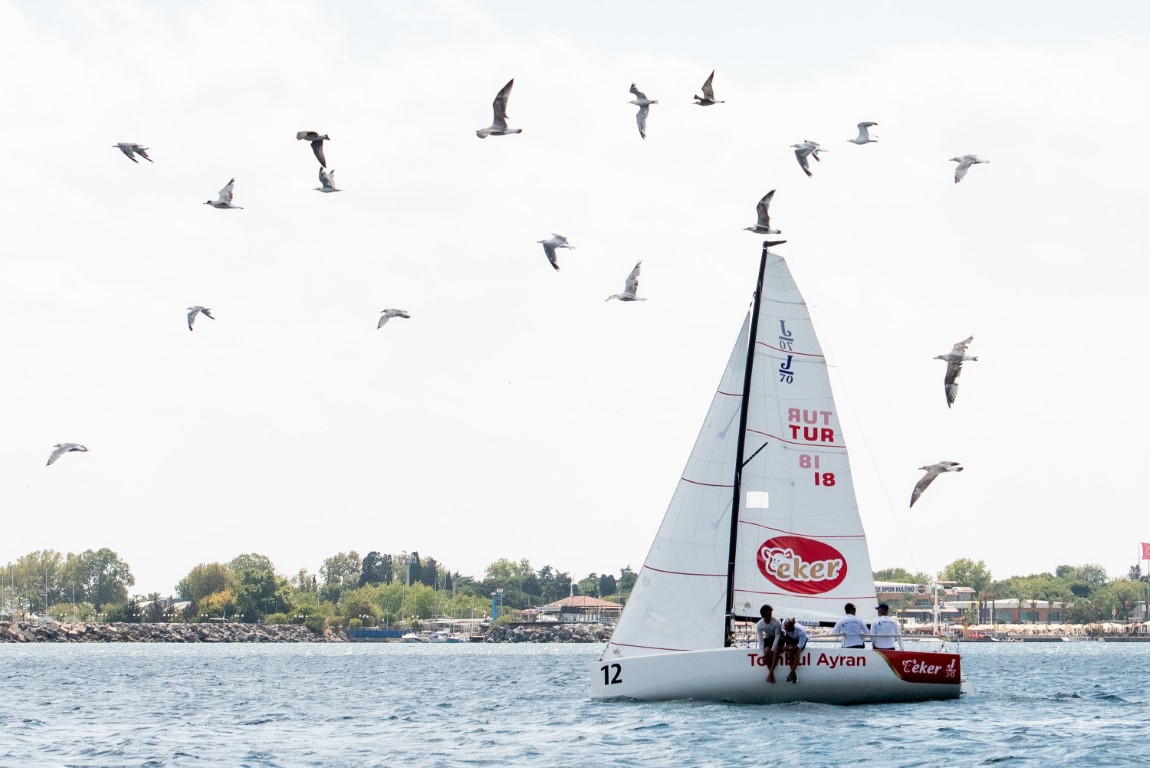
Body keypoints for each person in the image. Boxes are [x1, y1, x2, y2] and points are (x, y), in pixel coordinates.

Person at [755, 604, 784, 683]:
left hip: (778, 637)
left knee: (775, 651)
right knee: (766, 651)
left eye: (770, 614)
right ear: (763, 616)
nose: (769, 617)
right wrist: (762, 655)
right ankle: (771, 675)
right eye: (767, 615)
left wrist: (772, 649)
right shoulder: (759, 624)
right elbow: (761, 640)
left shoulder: (776, 621)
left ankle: (770, 674)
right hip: (769, 638)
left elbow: (777, 636)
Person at [779, 618, 809, 683]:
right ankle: (793, 674)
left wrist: (790, 647)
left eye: (786, 628)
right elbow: (783, 633)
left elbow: (800, 646)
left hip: (800, 640)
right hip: (791, 638)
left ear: (791, 627)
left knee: (797, 651)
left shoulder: (801, 631)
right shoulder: (784, 624)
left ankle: (792, 672)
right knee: (790, 652)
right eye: (784, 627)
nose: (784, 629)